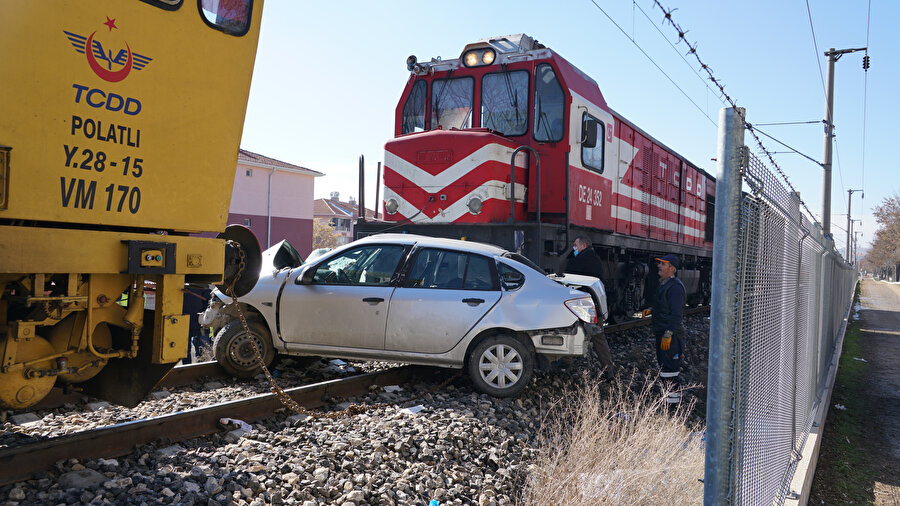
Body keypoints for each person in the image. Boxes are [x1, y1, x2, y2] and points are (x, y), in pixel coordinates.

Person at [563, 236, 615, 380]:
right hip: (592, 304)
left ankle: (566, 363)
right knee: (598, 337)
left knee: (571, 329)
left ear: (584, 245)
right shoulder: (594, 258)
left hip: (584, 305)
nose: (573, 248)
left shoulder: (582, 259)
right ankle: (608, 369)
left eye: (575, 245)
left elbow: (568, 272)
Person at [652, 254, 686, 406]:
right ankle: (668, 405)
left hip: (671, 337)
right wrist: (651, 310)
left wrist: (668, 333)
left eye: (663, 264)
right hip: (663, 334)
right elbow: (665, 307)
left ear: (672, 268)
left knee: (671, 372)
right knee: (665, 371)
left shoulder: (675, 288)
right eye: (659, 263)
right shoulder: (665, 284)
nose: (659, 266)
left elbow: (676, 314)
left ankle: (673, 409)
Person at [182, 286, 213, 364]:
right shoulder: (179, 287)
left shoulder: (203, 288)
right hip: (184, 325)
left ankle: (200, 369)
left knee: (203, 352)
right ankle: (185, 370)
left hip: (200, 326)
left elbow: (209, 307)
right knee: (184, 352)